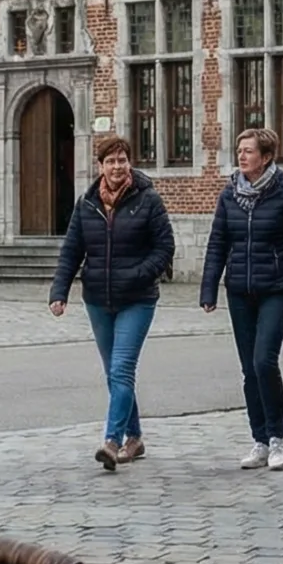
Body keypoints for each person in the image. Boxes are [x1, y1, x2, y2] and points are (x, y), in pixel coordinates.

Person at [49, 134, 175, 471]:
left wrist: (138, 274)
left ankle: (112, 440)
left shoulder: (148, 200)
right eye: (110, 161)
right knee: (113, 374)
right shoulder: (87, 203)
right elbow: (72, 250)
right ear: (100, 166)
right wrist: (59, 291)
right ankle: (135, 438)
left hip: (137, 299)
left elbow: (165, 248)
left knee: (121, 369)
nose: (117, 167)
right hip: (97, 299)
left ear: (129, 163)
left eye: (122, 160)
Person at [199, 127, 283, 471]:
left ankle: (277, 436)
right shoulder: (229, 195)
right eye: (240, 150)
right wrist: (209, 288)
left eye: (249, 151)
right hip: (239, 290)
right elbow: (218, 242)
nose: (242, 155)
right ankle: (260, 440)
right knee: (249, 369)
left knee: (265, 361)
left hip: (276, 288)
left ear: (266, 157)